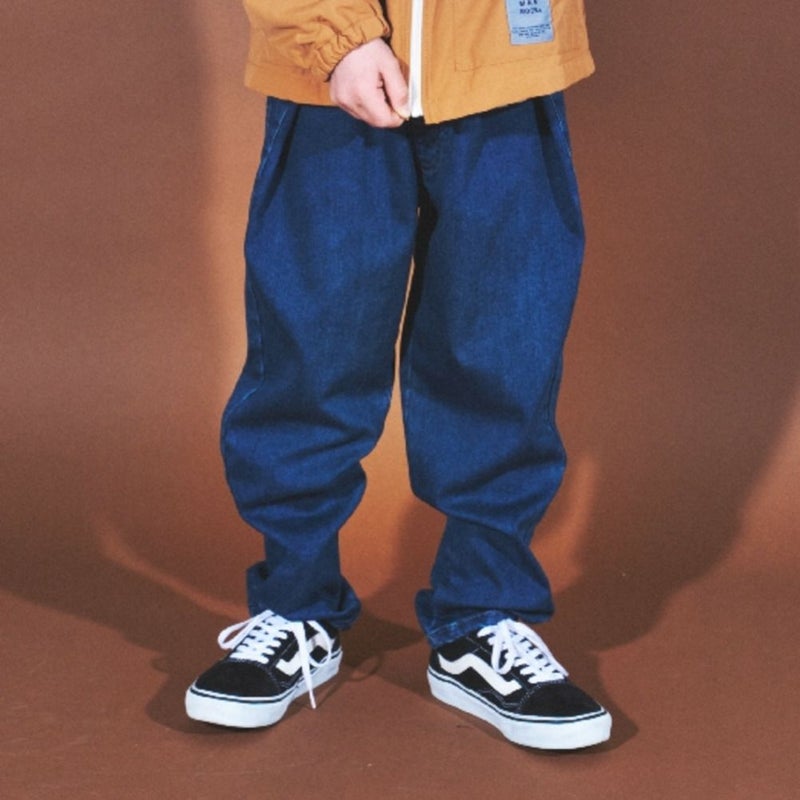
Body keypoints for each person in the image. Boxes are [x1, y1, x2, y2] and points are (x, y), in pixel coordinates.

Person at [185, 0, 612, 750]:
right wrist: (334, 36)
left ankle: (481, 616)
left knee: (503, 352)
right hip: (330, 81)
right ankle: (296, 604)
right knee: (311, 348)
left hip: (508, 59)